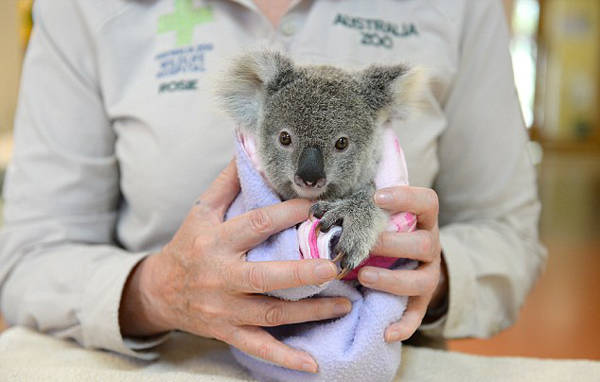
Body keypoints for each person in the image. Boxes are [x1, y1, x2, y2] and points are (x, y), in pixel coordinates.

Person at [0, 0, 546, 375]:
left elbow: (508, 235)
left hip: (379, 360)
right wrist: (157, 292)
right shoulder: (84, 9)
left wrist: (418, 274)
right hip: (174, 361)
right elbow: (29, 254)